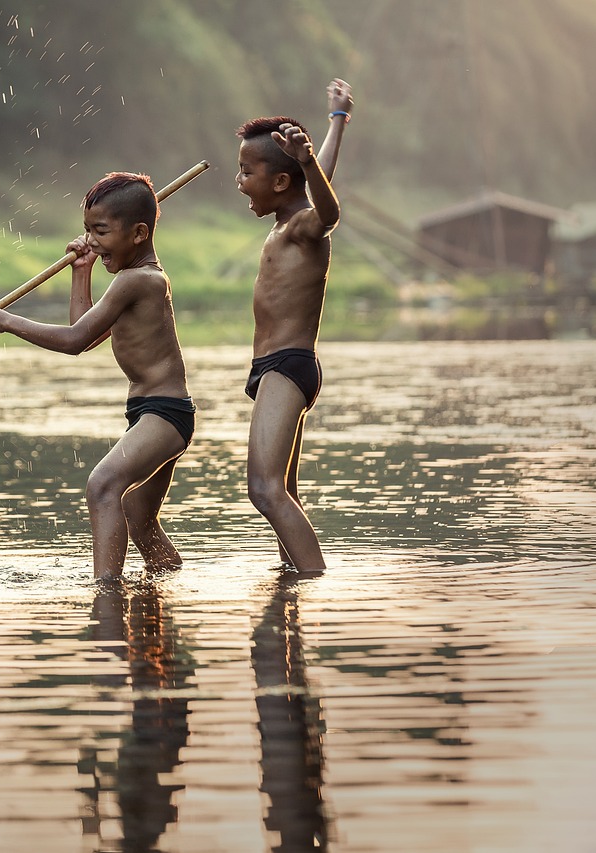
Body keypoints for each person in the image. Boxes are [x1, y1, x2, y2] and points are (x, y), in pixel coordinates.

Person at [0, 172, 194, 580]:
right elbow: (88, 334)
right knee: (137, 516)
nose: (89, 241)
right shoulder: (133, 279)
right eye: (87, 230)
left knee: (102, 486)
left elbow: (73, 339)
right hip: (150, 411)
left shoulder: (138, 280)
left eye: (100, 231)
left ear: (139, 233)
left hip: (165, 412)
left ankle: (107, 592)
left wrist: (6, 321)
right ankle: (166, 588)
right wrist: (82, 271)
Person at [235, 78, 352, 573]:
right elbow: (315, 178)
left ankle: (311, 585)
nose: (239, 180)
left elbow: (328, 209)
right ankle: (290, 593)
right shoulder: (287, 219)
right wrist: (337, 120)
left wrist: (305, 160)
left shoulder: (305, 225)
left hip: (287, 366)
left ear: (279, 182)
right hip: (275, 368)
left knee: (264, 489)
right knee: (284, 491)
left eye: (247, 172)